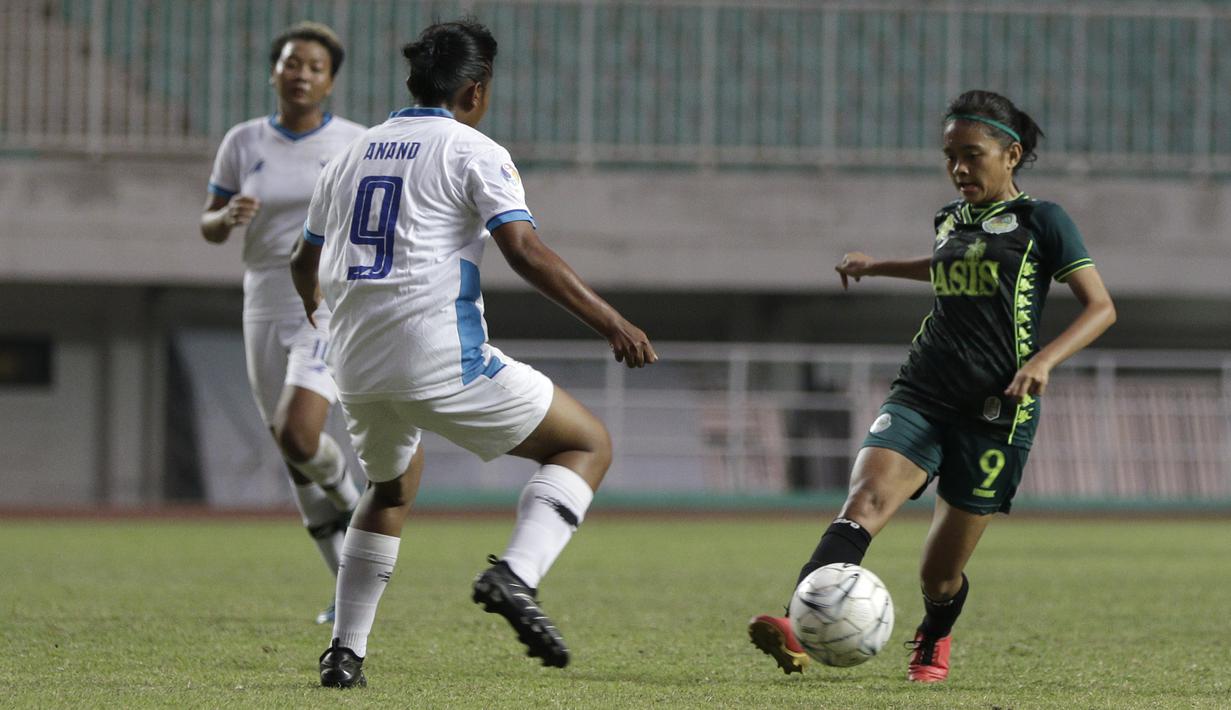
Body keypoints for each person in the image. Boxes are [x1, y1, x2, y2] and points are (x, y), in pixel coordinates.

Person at [291, 18, 657, 688]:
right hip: (437, 356)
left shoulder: (348, 155)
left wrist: (325, 315)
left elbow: (302, 260)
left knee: (390, 488)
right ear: (476, 90)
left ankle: (344, 654)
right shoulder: (472, 149)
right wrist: (612, 323)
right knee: (585, 445)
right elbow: (524, 251)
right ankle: (515, 575)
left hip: (354, 363)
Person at [748, 89, 1116, 682]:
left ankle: (934, 633)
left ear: (1012, 154)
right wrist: (875, 267)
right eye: (950, 157)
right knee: (863, 503)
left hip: (997, 412)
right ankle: (797, 621)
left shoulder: (1043, 221)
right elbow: (944, 262)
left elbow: (1101, 307)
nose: (959, 169)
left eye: (972, 155)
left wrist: (1044, 360)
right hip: (922, 389)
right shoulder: (950, 219)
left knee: (938, 576)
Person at [200, 22, 367, 624]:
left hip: (323, 300)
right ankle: (344, 587)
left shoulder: (357, 143)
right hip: (263, 299)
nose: (302, 74)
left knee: (299, 432)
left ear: (331, 81)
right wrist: (226, 217)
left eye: (315, 67)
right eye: (292, 63)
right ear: (274, 71)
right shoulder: (244, 141)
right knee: (287, 446)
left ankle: (351, 503)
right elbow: (209, 223)